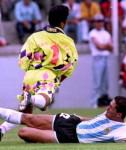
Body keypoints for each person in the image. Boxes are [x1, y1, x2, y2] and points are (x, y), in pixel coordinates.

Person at [0, 5, 78, 141]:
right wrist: (57, 79)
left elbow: (23, 58)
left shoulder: (35, 36)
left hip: (30, 75)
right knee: (46, 99)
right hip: (48, 75)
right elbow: (70, 66)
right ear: (63, 22)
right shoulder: (68, 41)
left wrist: (31, 70)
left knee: (26, 114)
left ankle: (2, 129)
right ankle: (33, 99)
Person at [0, 96, 126, 143]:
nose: (107, 108)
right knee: (28, 118)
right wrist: (77, 117)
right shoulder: (108, 114)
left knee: (24, 132)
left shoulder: (122, 131)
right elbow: (94, 120)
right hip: (72, 122)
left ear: (119, 114)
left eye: (111, 107)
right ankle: (2, 129)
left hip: (70, 136)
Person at [89, 14, 112, 108]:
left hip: (106, 58)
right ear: (94, 23)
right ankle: (94, 103)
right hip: (97, 58)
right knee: (97, 83)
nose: (99, 23)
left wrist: (104, 46)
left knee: (105, 83)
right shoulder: (92, 33)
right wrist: (105, 45)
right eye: (97, 21)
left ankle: (103, 102)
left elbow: (111, 47)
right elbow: (99, 47)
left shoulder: (106, 33)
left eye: (101, 21)